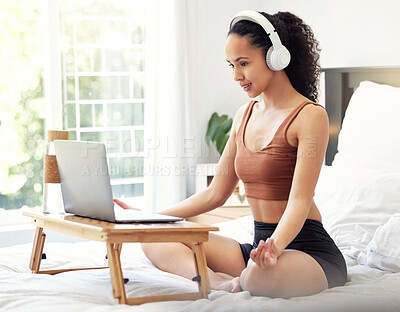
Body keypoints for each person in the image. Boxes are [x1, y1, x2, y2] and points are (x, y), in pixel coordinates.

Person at [114, 10, 347, 298]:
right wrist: (149, 218)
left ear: (276, 57)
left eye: (244, 63)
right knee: (154, 238)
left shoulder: (309, 116)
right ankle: (217, 282)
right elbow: (215, 194)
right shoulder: (243, 116)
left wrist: (274, 248)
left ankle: (250, 275)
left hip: (307, 251)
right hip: (260, 248)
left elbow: (299, 201)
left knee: (260, 277)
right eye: (231, 66)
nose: (237, 76)